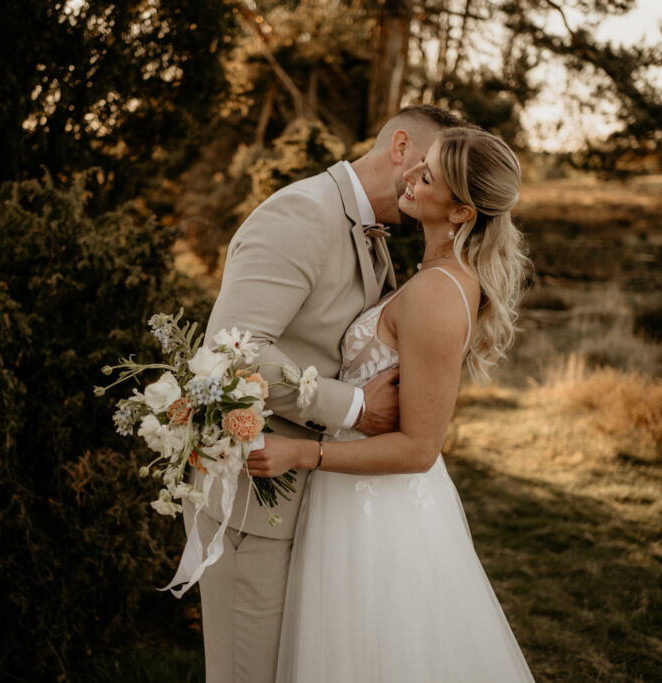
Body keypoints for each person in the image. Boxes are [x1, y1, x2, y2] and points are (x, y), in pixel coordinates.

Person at [185, 105, 468, 683]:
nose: (422, 181)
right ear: (399, 146)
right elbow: (232, 351)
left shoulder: (374, 234)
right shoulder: (303, 213)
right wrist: (358, 407)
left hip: (317, 505)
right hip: (255, 503)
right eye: (427, 165)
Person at [247, 126, 536, 682]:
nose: (409, 175)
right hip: (354, 498)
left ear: (459, 213)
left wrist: (300, 454)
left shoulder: (436, 294)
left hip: (376, 511)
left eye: (427, 177)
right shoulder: (432, 276)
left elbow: (419, 448)